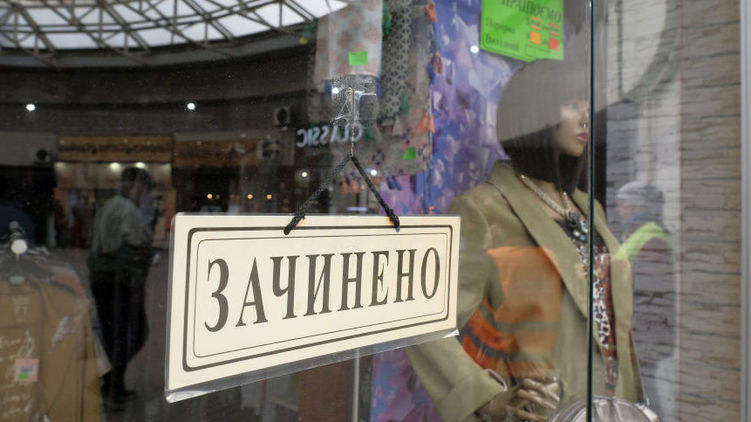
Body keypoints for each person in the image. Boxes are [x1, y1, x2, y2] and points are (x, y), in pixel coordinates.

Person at [406, 59, 641, 421]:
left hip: (615, 405)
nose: (586, 118)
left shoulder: (588, 207)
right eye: (572, 105)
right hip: (547, 410)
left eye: (588, 105)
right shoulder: (485, 210)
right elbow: (424, 319)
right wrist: (484, 397)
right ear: (534, 113)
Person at [88, 167, 154, 408]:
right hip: (120, 281)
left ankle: (111, 383)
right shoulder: (128, 210)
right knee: (130, 334)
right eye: (141, 187)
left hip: (102, 278)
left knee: (113, 334)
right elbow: (132, 250)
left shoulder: (109, 205)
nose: (142, 193)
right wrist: (136, 284)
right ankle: (113, 385)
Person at [616, 181, 676, 418]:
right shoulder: (639, 234)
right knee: (642, 393)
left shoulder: (651, 240)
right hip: (641, 332)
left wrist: (634, 338)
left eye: (623, 203)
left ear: (637, 205)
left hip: (643, 335)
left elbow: (650, 297)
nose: (619, 208)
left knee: (644, 395)